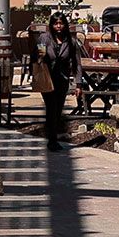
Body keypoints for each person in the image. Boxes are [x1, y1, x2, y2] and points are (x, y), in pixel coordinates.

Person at [36, 11, 80, 144]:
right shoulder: (44, 38)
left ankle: (52, 136)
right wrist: (42, 58)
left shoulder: (71, 42)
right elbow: (39, 56)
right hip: (47, 78)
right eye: (56, 24)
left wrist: (78, 84)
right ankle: (52, 139)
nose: (59, 26)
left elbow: (77, 63)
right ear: (51, 25)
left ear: (65, 25)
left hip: (62, 78)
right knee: (51, 107)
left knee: (58, 108)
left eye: (61, 23)